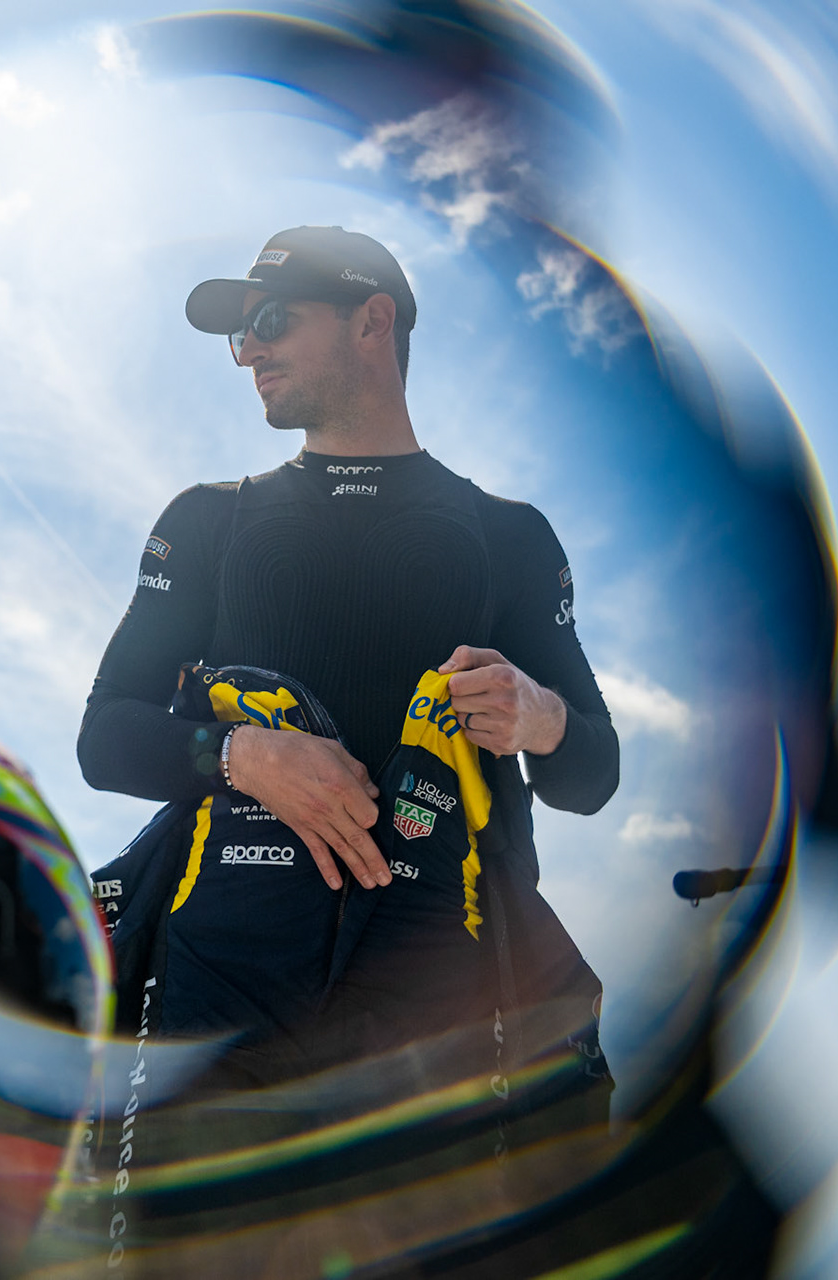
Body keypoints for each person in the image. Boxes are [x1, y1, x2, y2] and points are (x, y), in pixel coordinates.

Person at [77, 225, 619, 1072]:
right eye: (238, 331)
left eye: (273, 320)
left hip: (442, 993)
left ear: (372, 320)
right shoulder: (207, 520)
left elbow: (592, 774)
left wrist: (540, 716)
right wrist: (240, 755)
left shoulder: (508, 536)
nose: (247, 351)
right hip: (218, 990)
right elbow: (105, 737)